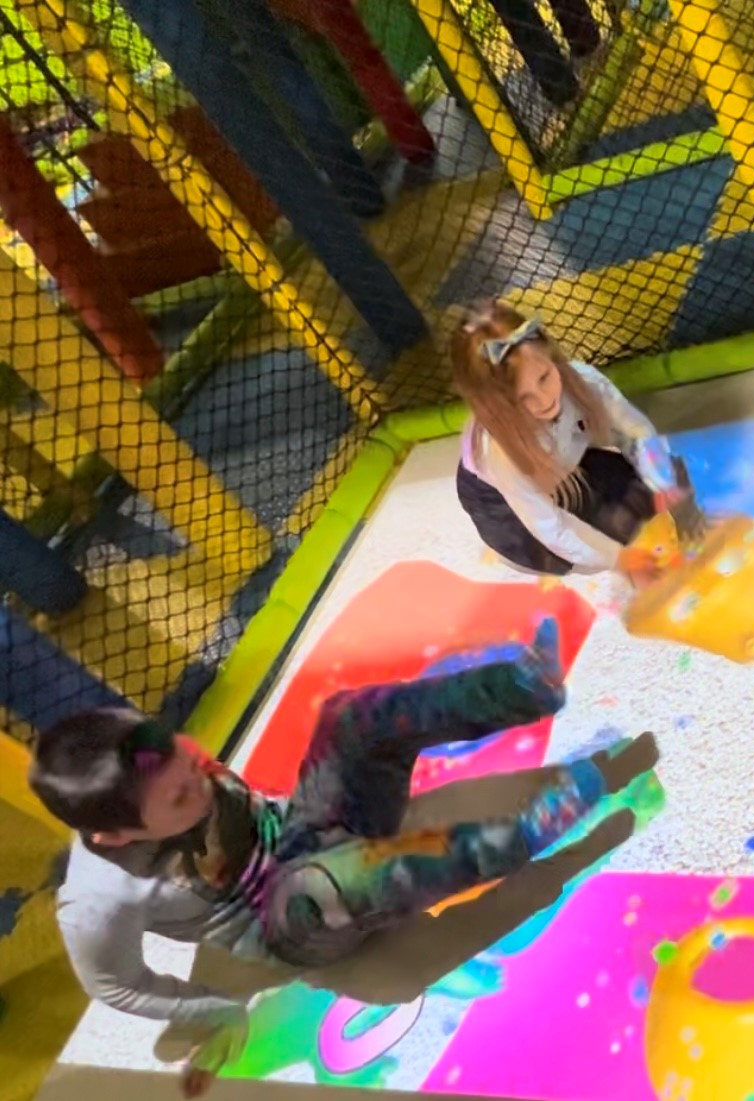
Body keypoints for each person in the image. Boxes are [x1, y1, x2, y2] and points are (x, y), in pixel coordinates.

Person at [31, 619, 654, 1096]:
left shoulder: (165, 766)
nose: (198, 771)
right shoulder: (94, 902)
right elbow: (113, 983)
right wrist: (209, 1008)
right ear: (118, 837)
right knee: (327, 883)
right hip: (280, 924)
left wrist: (336, 793)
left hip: (298, 832)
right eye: (178, 793)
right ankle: (527, 833)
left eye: (184, 756)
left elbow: (258, 802)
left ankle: (523, 686)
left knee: (347, 719)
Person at [453, 300, 683, 576]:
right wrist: (618, 558)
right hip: (501, 501)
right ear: (496, 407)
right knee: (593, 540)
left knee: (652, 487)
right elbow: (551, 527)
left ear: (551, 357)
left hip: (561, 459)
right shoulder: (500, 456)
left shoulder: (584, 381)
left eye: (544, 378)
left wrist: (660, 480)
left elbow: (634, 432)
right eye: (521, 399)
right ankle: (513, 549)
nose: (544, 400)